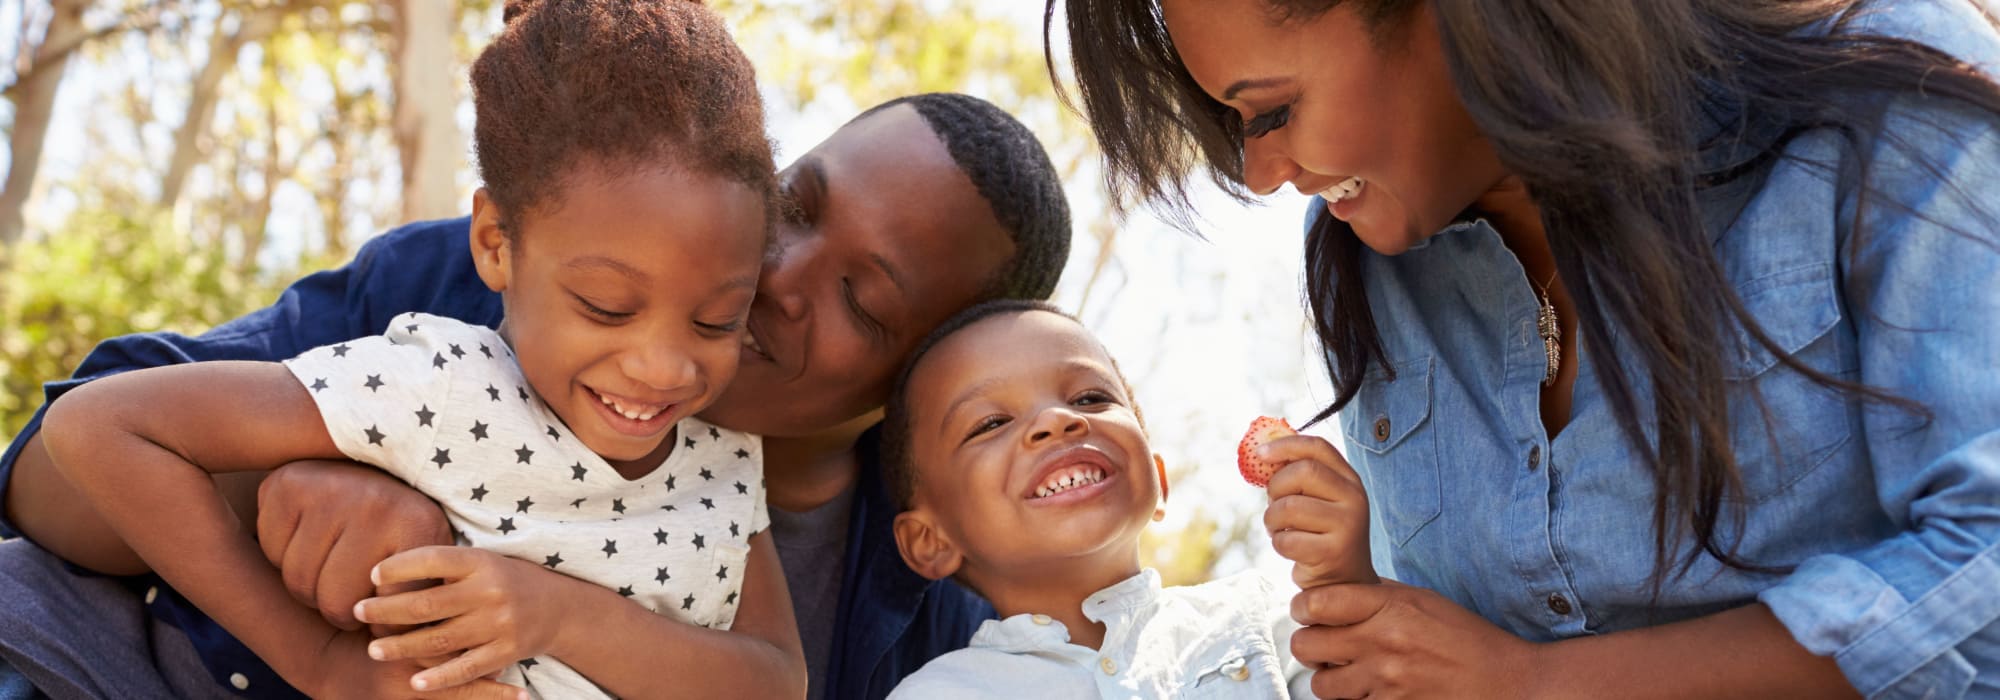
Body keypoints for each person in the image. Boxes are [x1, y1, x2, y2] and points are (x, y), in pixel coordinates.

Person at [0, 74, 1070, 700]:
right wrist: (292, 477)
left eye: (865, 304)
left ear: (920, 387)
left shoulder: (940, 642)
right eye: (793, 202)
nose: (778, 277)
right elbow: (51, 477)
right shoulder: (492, 286)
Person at [1048, 0, 2000, 696]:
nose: (1260, 177)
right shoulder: (1366, 258)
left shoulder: (1881, 81)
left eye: (1272, 111)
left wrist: (1538, 683)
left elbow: (1984, 579)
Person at [40, 1, 801, 697]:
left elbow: (777, 681)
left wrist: (559, 616)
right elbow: (97, 427)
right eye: (607, 307)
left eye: (717, 322)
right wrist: (320, 664)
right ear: (496, 244)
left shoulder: (719, 454)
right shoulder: (437, 386)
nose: (664, 366)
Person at [874, 300, 1369, 698]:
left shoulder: (1261, 616)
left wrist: (1341, 583)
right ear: (930, 540)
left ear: (1157, 479)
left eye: (1090, 397)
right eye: (991, 424)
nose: (1056, 420)